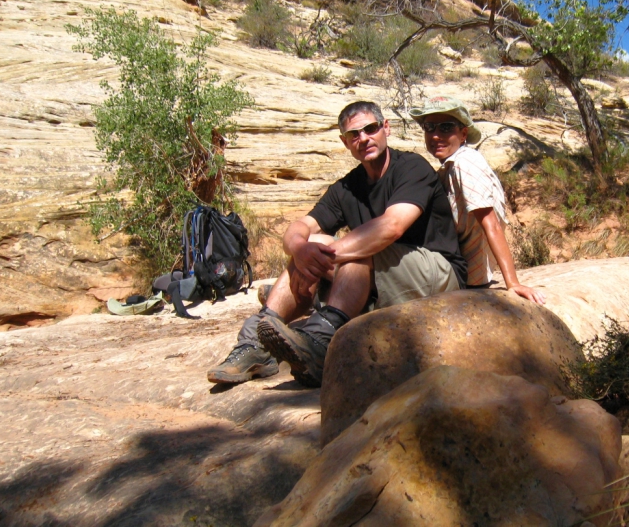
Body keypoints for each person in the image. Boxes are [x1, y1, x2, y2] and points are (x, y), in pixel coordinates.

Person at [207, 101, 466, 386]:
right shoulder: (347, 187)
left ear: (386, 129)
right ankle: (256, 343)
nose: (364, 138)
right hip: (385, 278)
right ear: (345, 142)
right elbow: (301, 227)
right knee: (313, 243)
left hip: (439, 275)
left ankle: (320, 340)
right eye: (354, 134)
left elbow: (391, 227)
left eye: (370, 129)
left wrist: (326, 257)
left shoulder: (412, 168)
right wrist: (299, 249)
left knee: (357, 246)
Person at [410, 96, 546, 305]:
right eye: (430, 127)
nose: (436, 136)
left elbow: (489, 222)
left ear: (463, 133)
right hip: (462, 271)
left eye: (446, 127)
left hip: (467, 276)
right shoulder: (451, 166)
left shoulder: (465, 164)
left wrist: (513, 283)